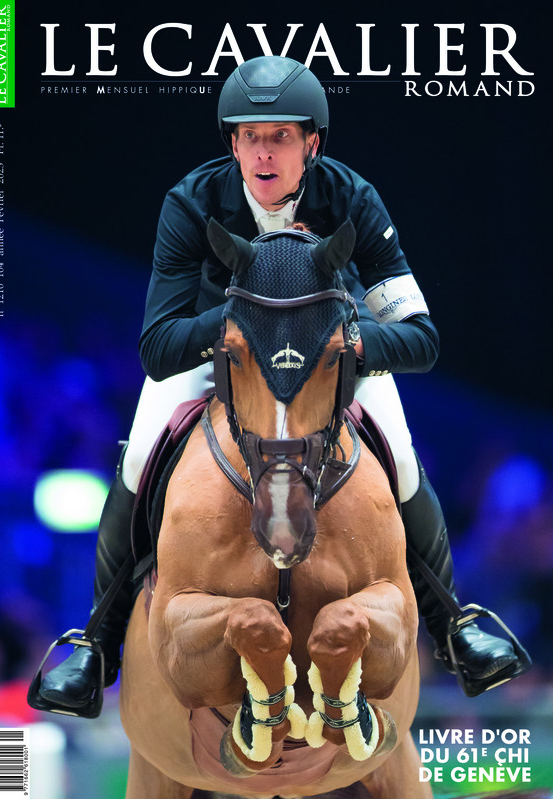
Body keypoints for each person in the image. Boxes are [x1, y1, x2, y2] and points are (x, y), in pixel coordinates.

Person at [36, 56, 523, 716]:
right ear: (233, 145)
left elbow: (420, 337)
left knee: (402, 456)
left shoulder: (352, 199)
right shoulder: (191, 202)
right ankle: (97, 643)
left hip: (329, 356)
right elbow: (157, 345)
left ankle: (453, 625)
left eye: (281, 136)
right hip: (226, 354)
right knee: (140, 454)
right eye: (250, 137)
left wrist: (349, 341)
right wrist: (240, 324)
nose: (264, 153)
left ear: (311, 143)